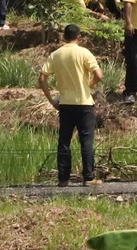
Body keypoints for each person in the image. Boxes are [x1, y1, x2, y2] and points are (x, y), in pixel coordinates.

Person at [38, 23, 103, 186]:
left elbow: (42, 78)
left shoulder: (56, 55)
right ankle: (88, 177)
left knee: (64, 140)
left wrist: (51, 100)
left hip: (65, 103)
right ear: (78, 37)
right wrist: (90, 84)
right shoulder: (84, 53)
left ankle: (63, 178)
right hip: (84, 102)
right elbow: (99, 75)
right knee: (86, 140)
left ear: (63, 37)